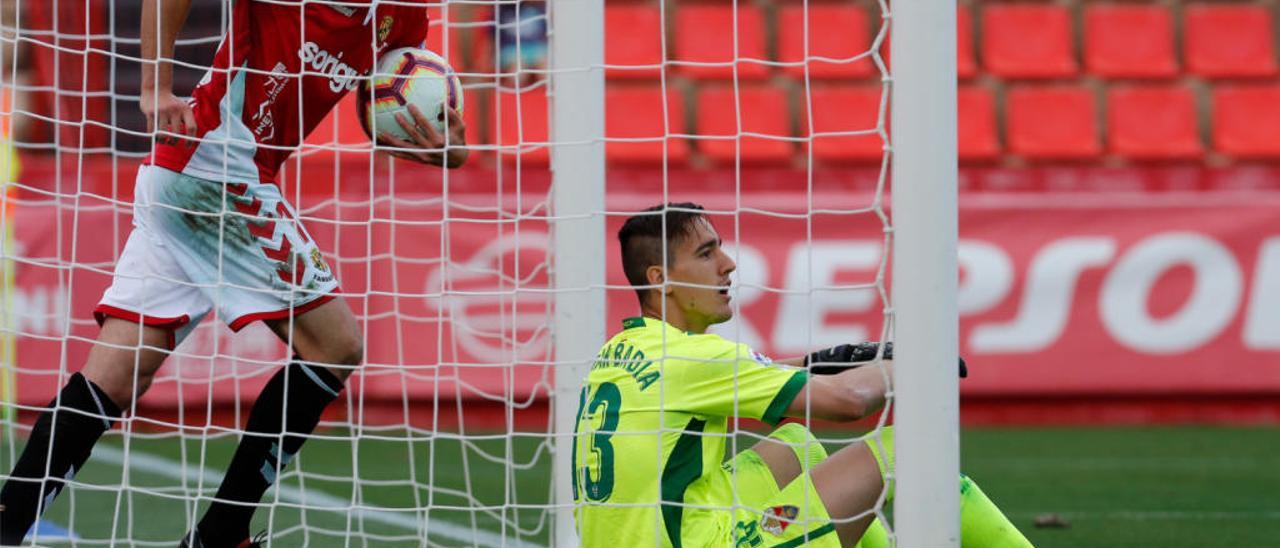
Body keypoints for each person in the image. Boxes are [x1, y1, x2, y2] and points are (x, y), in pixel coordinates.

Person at [0, 1, 467, 546]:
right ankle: (222, 534)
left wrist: (442, 145)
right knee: (335, 347)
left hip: (186, 173)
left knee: (117, 373)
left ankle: (7, 523)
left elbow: (389, 93)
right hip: (220, 169)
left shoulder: (401, 16)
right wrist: (154, 86)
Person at [572, 203, 1031, 546]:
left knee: (796, 446)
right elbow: (848, 402)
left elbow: (757, 373)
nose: (728, 264)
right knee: (911, 450)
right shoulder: (694, 358)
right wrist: (918, 362)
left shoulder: (623, 350)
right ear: (661, 279)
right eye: (707, 253)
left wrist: (832, 358)